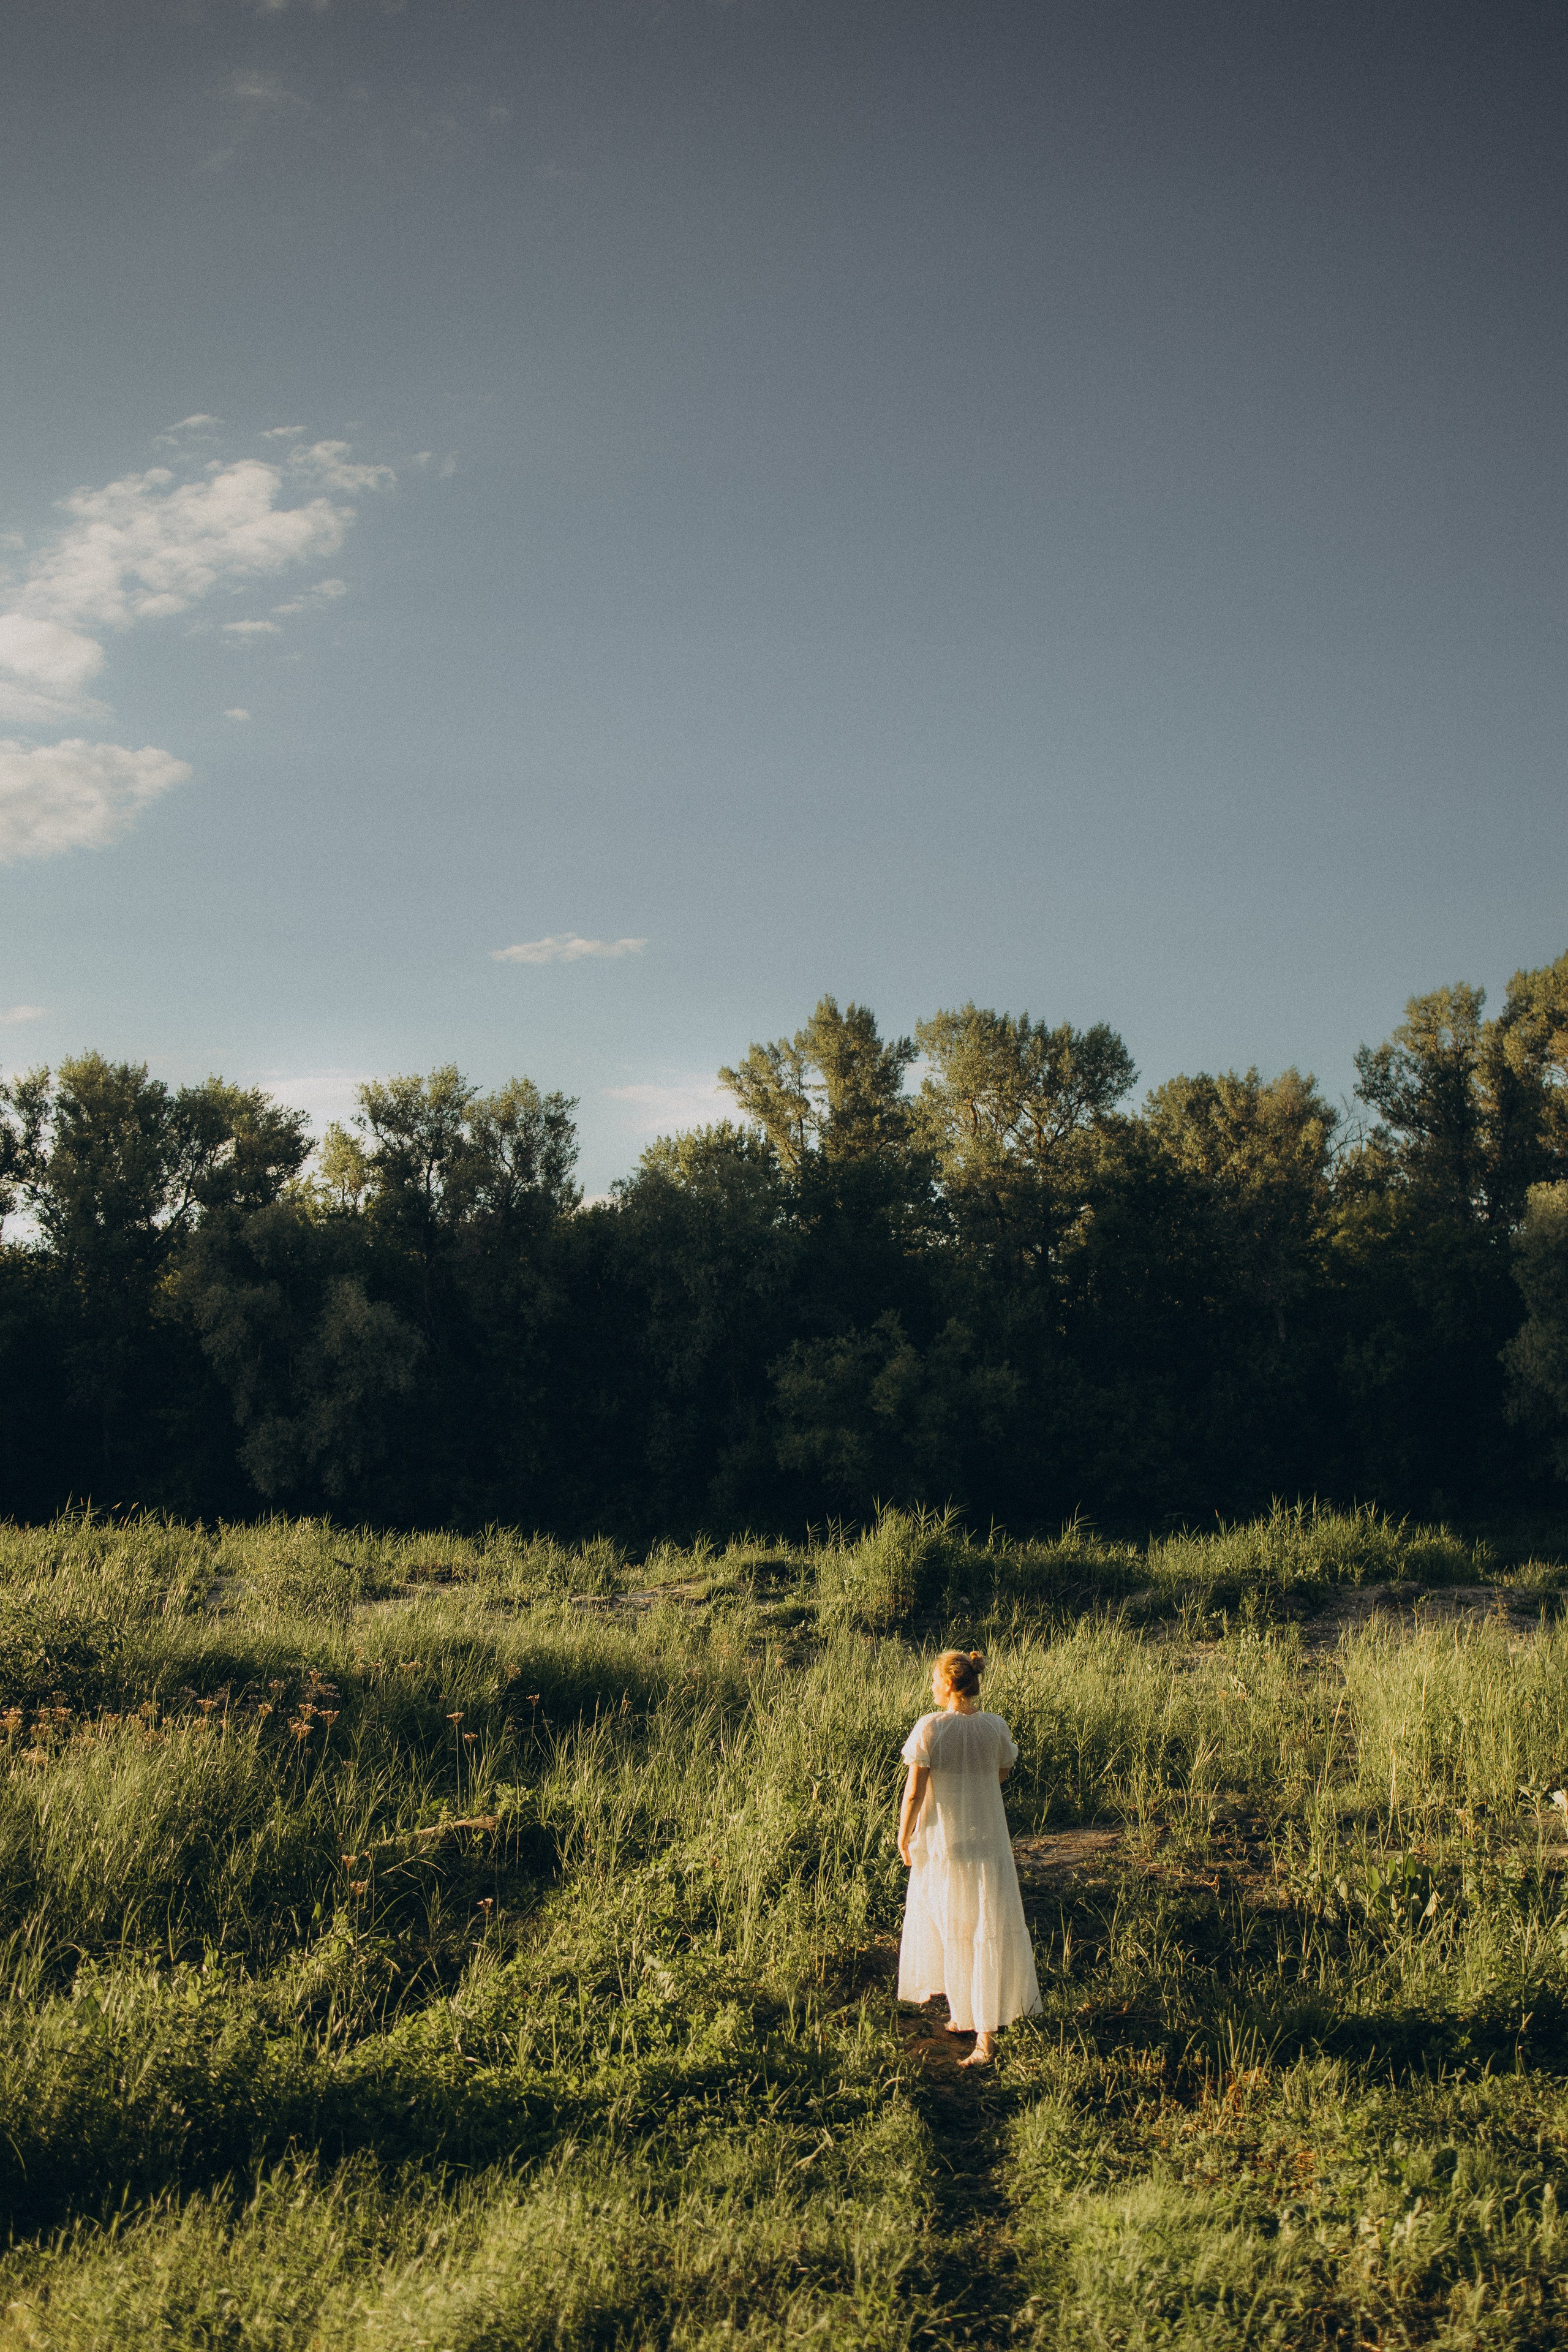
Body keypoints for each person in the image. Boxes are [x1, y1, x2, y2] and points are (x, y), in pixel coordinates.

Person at [896, 1648, 1042, 2065]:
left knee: (957, 1927)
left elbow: (914, 1793)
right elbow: (998, 1774)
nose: (931, 1686)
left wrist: (904, 1837)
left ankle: (985, 2041)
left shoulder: (930, 1727)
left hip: (944, 1845)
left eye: (933, 1679)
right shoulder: (995, 1728)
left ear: (947, 1682)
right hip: (987, 1843)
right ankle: (966, 2016)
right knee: (980, 1928)